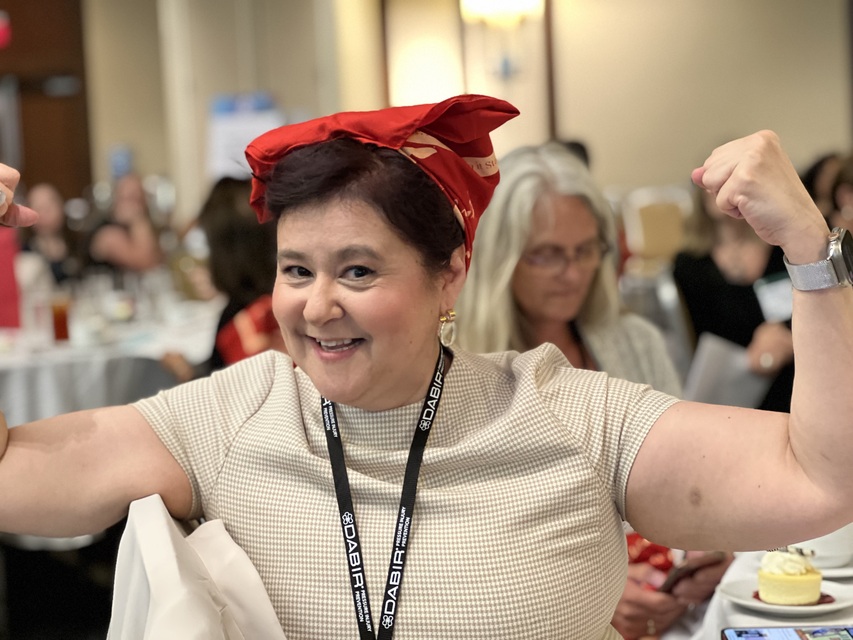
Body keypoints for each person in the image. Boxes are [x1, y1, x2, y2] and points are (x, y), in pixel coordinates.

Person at [0, 96, 851, 640]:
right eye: (295, 269)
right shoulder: (231, 414)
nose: (316, 306)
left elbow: (818, 478)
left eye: (357, 271)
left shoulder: (563, 413)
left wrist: (810, 251)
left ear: (450, 275)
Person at [454, 142, 730, 640]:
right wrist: (591, 591)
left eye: (586, 250)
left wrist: (705, 545)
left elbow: (688, 474)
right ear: (499, 258)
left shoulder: (634, 341)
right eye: (547, 255)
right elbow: (461, 540)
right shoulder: (456, 364)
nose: (574, 272)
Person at [673, 185, 795, 412]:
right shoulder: (688, 265)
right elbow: (688, 343)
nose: (718, 190)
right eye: (710, 184)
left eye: (728, 180)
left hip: (792, 379)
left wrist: (786, 337)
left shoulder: (784, 248)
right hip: (728, 397)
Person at [160, 176, 285, 382]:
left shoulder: (241, 319)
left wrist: (183, 371)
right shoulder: (282, 298)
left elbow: (222, 391)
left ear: (225, 252)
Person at [85, 172, 162, 274]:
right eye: (130, 198)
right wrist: (138, 221)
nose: (136, 206)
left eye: (139, 199)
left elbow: (160, 262)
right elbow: (145, 263)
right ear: (117, 200)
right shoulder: (106, 232)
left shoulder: (149, 231)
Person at [18, 182, 83, 285]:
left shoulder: (79, 243)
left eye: (49, 207)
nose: (44, 214)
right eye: (39, 208)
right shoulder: (23, 252)